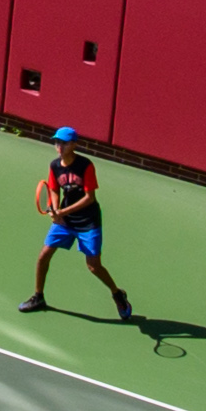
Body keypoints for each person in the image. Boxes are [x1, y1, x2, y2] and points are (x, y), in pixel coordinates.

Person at [24, 127, 134, 322]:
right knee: (44, 256)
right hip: (65, 221)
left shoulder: (85, 166)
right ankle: (38, 297)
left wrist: (62, 212)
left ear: (74, 145)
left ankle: (117, 294)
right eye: (57, 142)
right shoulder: (54, 165)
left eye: (64, 143)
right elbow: (54, 189)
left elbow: (89, 198)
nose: (59, 146)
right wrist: (55, 209)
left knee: (93, 266)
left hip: (88, 222)